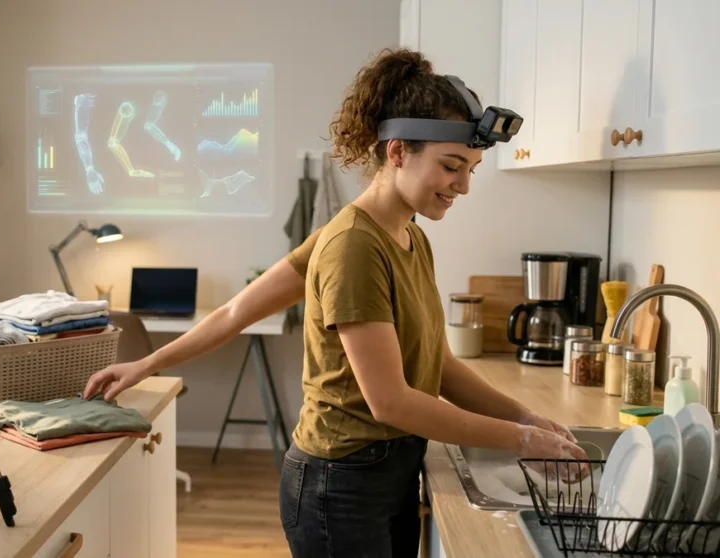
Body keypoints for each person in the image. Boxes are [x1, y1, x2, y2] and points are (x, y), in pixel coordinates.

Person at [83, 48, 586, 557]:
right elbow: (389, 401)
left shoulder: (408, 237)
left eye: (471, 169)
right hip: (340, 484)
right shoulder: (352, 245)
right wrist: (518, 441)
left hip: (387, 469)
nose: (463, 186)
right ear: (396, 152)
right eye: (452, 166)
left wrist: (526, 420)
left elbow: (439, 366)